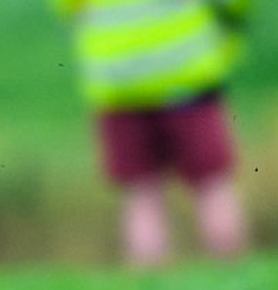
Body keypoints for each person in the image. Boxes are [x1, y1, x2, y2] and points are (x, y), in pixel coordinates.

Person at [53, 0, 252, 265]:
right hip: (187, 76)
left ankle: (150, 283)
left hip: (119, 84)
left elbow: (69, 8)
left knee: (141, 194)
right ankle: (233, 273)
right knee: (211, 185)